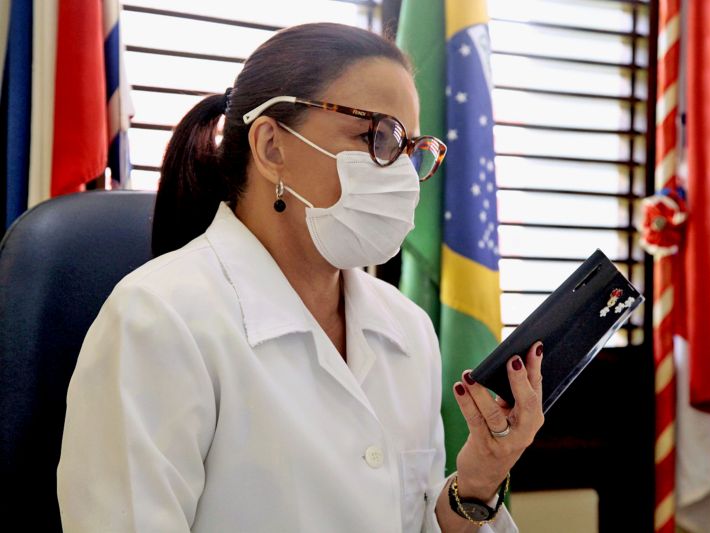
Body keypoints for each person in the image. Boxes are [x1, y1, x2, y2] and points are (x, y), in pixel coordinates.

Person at [57, 22, 545, 532]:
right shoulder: (158, 319)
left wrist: (479, 479)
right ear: (271, 147)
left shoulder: (407, 328)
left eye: (410, 149)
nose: (401, 173)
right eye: (377, 137)